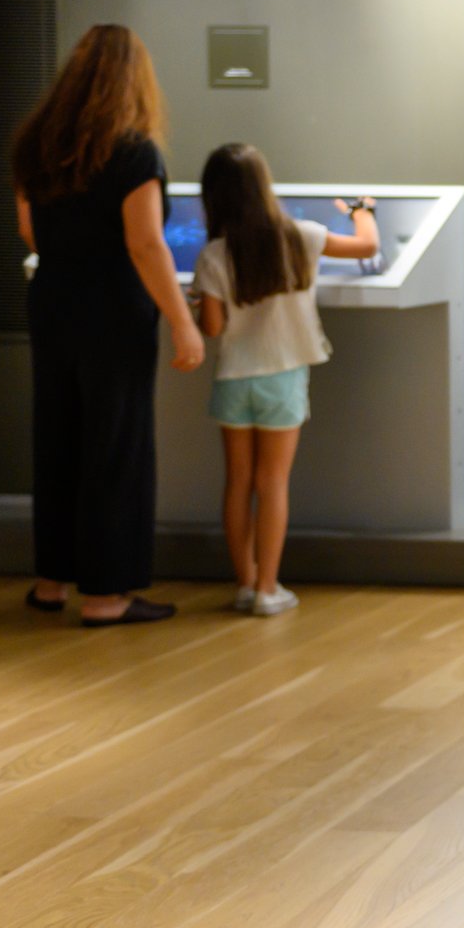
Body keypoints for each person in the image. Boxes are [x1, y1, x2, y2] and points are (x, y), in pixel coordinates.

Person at [12, 25, 204, 627]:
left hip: (52, 300)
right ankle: (106, 594)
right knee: (114, 447)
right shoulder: (134, 151)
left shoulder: (35, 143)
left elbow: (28, 231)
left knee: (58, 439)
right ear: (133, 79)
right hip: (114, 309)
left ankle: (51, 583)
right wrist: (183, 322)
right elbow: (146, 244)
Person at [189, 144, 380, 616]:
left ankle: (245, 583)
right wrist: (363, 212)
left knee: (238, 482)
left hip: (234, 378)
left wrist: (198, 305)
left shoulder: (213, 254)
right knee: (273, 482)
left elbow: (212, 329)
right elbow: (367, 247)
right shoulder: (302, 236)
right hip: (284, 376)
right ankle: (268, 590)